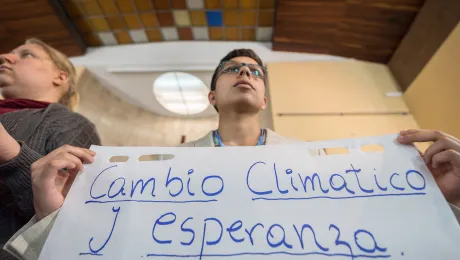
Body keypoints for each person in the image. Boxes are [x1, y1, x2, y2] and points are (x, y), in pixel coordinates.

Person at [3, 49, 460, 259]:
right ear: (212, 95)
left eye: (254, 71)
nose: (245, 72)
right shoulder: (151, 173)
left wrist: (439, 203)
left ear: (263, 98)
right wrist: (51, 219)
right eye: (232, 69)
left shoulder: (326, 171)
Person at [0, 39, 101, 259]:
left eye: (27, 54)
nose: (5, 56)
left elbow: (77, 219)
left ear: (60, 77)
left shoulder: (71, 123)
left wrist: (10, 153)